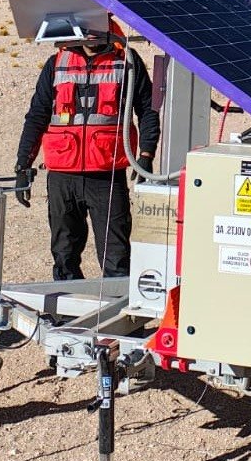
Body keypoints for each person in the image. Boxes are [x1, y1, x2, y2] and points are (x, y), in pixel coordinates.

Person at [14, 22, 160, 280]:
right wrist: (23, 165)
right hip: (62, 176)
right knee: (63, 252)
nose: (91, 32)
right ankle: (67, 311)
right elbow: (37, 115)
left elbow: (147, 110)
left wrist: (146, 155)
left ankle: (118, 313)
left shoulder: (126, 61)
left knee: (115, 254)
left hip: (106, 175)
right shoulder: (57, 62)